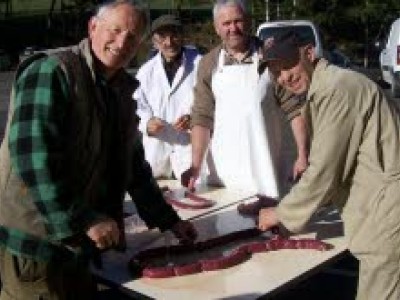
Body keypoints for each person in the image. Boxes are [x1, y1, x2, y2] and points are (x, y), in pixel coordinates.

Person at [0, 1, 197, 299]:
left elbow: (132, 165)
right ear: (93, 27)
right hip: (36, 243)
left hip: (77, 243)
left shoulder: (120, 90)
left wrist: (169, 220)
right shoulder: (52, 71)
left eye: (132, 37)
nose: (121, 43)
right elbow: (32, 157)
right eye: (115, 30)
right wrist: (85, 219)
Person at [258, 29, 400, 300]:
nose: (284, 77)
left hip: (388, 214)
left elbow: (324, 170)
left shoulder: (337, 89)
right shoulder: (326, 88)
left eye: (288, 65)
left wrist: (281, 213)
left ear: (309, 53)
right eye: (276, 72)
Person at [181, 0, 309, 197]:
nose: (233, 28)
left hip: (267, 165)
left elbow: (294, 109)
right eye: (226, 23)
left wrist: (302, 155)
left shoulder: (269, 57)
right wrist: (195, 165)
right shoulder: (208, 63)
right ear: (216, 28)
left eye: (238, 21)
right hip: (224, 170)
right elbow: (202, 117)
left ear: (248, 22)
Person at [134, 14, 202, 180]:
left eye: (174, 35)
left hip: (190, 150)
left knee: (196, 198)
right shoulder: (145, 71)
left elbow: (211, 101)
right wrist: (147, 123)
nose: (169, 42)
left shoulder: (200, 64)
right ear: (154, 41)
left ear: (183, 36)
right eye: (162, 37)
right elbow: (136, 106)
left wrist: (195, 118)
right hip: (156, 153)